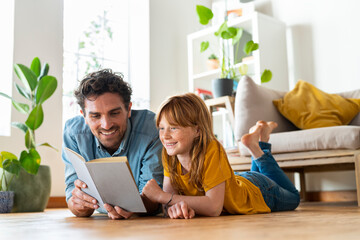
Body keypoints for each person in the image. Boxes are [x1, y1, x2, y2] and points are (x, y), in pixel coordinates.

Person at [142, 93, 300, 219]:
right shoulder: (170, 152)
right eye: (161, 128)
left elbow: (213, 207)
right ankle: (257, 142)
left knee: (294, 197)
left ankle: (259, 149)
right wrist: (176, 209)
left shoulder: (211, 148)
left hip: (259, 191)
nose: (165, 136)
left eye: (174, 128)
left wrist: (161, 197)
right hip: (234, 182)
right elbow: (171, 201)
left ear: (197, 130)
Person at [62, 69, 163, 219]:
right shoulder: (73, 133)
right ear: (83, 116)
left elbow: (154, 197)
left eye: (114, 113)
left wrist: (135, 208)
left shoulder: (152, 128)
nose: (107, 125)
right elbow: (72, 192)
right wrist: (79, 205)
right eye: (95, 116)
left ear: (128, 109)